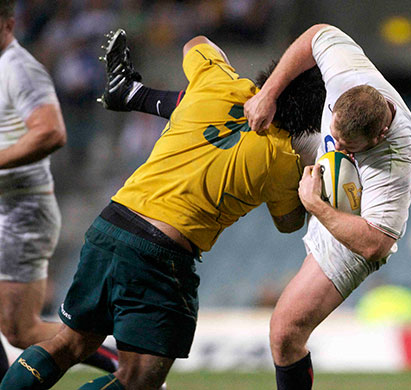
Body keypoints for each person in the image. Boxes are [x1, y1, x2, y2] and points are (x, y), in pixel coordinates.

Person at [0, 26, 325, 389]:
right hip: (160, 254)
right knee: (138, 379)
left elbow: (195, 42)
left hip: (110, 226)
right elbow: (288, 222)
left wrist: (155, 97)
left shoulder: (217, 82)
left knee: (67, 343)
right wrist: (312, 182)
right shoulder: (283, 159)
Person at [244, 24, 411, 389]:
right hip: (337, 185)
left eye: (348, 145)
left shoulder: (393, 163)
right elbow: (316, 34)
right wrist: (269, 93)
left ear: (377, 137)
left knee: (285, 332)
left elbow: (377, 243)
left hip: (362, 221)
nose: (337, 147)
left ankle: (297, 208)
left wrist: (316, 204)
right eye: (335, 137)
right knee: (252, 113)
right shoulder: (347, 73)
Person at [0, 0, 120, 379]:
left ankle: (122, 362)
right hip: (8, 206)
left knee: (22, 331)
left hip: (22, 210)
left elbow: (51, 131)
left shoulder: (19, 70)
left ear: (8, 24)